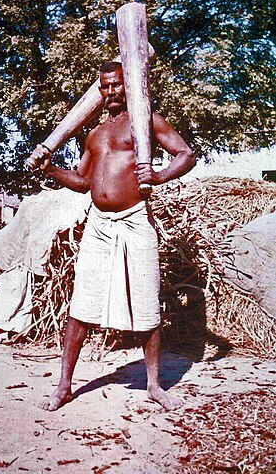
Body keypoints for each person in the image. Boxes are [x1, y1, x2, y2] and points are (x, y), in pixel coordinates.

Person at [28, 60, 196, 411]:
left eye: (116, 85)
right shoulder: (95, 134)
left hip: (135, 221)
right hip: (99, 226)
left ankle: (153, 385)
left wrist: (161, 175)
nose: (110, 92)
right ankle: (63, 386)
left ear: (129, 85)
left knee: (146, 303)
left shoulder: (146, 121)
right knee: (81, 305)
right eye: (104, 87)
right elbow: (82, 182)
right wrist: (50, 167)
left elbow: (186, 154)